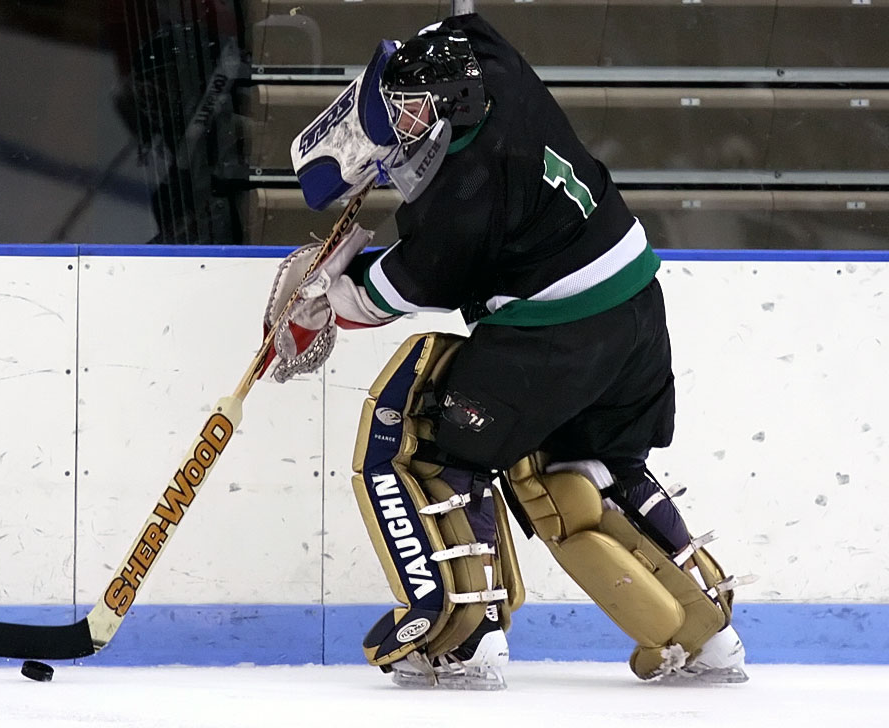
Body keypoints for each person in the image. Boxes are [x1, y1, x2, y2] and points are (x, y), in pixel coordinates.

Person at [259, 13, 751, 690]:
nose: (400, 132)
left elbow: (392, 292)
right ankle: (708, 634)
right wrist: (411, 74)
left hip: (558, 334)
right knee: (591, 469)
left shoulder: (465, 193)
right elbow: (453, 24)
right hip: (636, 313)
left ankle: (462, 638)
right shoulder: (491, 63)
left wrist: (326, 296)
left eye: (407, 120)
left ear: (444, 113)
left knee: (423, 440)